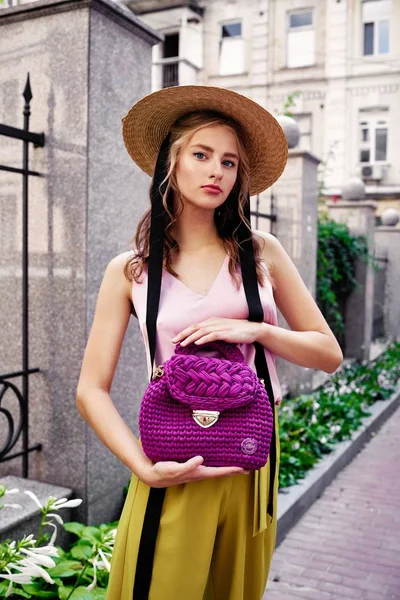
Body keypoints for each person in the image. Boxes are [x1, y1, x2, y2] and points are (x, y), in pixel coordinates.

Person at [76, 85, 343, 600]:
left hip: (249, 455)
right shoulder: (130, 271)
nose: (216, 171)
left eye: (229, 161)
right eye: (201, 154)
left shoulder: (260, 253)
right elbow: (91, 388)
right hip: (173, 461)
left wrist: (258, 330)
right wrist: (143, 468)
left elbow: (327, 353)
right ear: (170, 164)